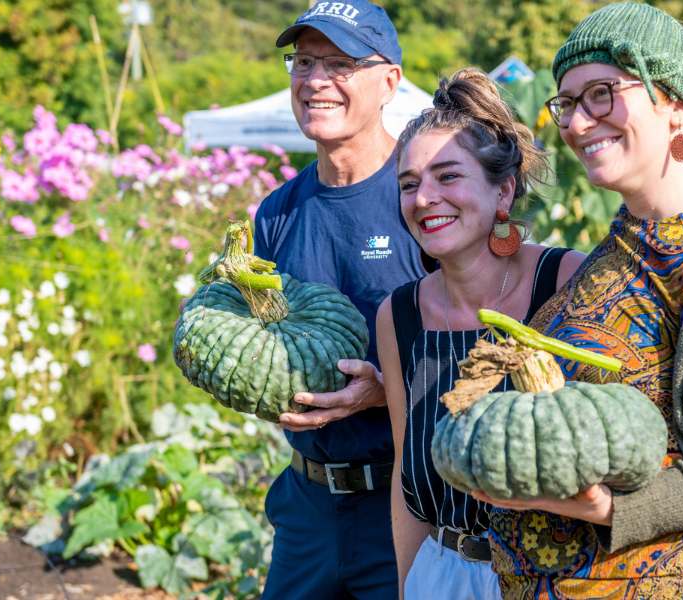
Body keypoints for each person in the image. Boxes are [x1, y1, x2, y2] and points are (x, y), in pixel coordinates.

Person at [471, 3, 683, 599]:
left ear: (676, 103)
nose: (576, 123)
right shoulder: (624, 245)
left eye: (601, 94)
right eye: (567, 104)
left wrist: (608, 507)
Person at [375, 68, 585, 600]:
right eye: (409, 184)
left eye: (447, 177)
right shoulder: (399, 315)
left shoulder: (567, 282)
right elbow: (407, 476)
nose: (423, 198)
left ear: (504, 191)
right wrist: (408, 586)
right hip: (441, 574)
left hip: (556, 578)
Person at [250, 2, 426, 598]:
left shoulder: (426, 197)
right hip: (308, 509)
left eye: (340, 64)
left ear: (389, 83)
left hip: (405, 502)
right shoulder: (277, 212)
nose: (315, 80)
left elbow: (478, 342)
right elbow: (262, 338)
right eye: (303, 62)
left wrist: (387, 388)